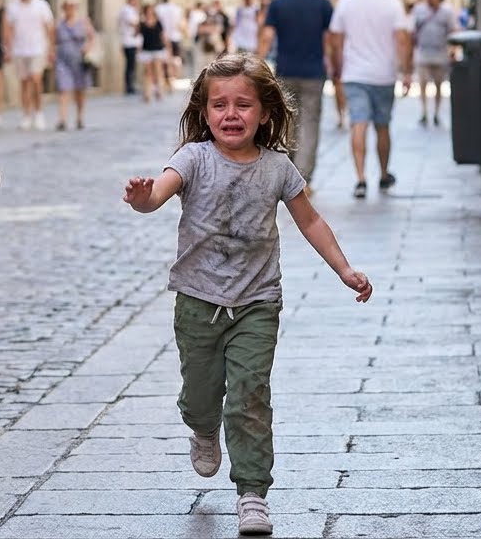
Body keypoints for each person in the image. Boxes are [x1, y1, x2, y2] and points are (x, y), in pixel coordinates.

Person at [121, 53, 372, 537]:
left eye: (243, 105)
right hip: (197, 299)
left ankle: (252, 493)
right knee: (200, 395)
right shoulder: (192, 158)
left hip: (257, 302)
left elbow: (310, 220)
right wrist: (142, 198)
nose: (230, 114)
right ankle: (202, 427)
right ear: (203, 111)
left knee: (250, 395)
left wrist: (344, 269)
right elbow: (158, 194)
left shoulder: (278, 167)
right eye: (219, 105)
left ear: (265, 112)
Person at [328, 0, 413, 199]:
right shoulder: (392, 3)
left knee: (358, 123)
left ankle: (361, 178)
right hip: (383, 74)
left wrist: (338, 67)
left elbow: (336, 40)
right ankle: (384, 174)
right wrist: (406, 71)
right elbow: (402, 39)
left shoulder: (345, 3)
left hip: (354, 73)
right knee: (382, 125)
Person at [257, 0, 334, 190]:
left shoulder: (279, 5)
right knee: (310, 123)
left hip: (286, 71)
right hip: (313, 73)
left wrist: (256, 64)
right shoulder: (322, 4)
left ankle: (288, 172)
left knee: (287, 122)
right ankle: (303, 178)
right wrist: (334, 63)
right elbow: (329, 40)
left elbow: (267, 36)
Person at [2, 0, 54, 130]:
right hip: (20, 49)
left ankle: (38, 113)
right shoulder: (13, 7)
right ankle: (26, 114)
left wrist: (51, 48)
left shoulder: (41, 5)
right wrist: (8, 48)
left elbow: (49, 27)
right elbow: (8, 28)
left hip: (38, 48)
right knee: (24, 82)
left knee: (36, 80)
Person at [409, 0, 457, 126]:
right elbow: (412, 32)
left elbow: (452, 31)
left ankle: (436, 112)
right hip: (423, 53)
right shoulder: (419, 10)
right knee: (422, 83)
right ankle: (424, 111)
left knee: (438, 85)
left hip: (440, 53)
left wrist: (452, 51)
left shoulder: (447, 11)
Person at [52, 0, 97, 130]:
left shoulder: (83, 22)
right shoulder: (59, 24)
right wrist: (52, 53)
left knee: (79, 90)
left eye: (72, 6)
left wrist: (87, 47)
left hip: (79, 60)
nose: (70, 9)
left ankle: (79, 117)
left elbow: (92, 37)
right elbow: (53, 40)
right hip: (63, 60)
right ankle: (62, 119)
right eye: (67, 7)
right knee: (63, 89)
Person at [138, 2, 170, 102]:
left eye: (151, 10)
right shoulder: (142, 24)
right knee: (147, 72)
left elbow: (163, 35)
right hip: (146, 49)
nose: (150, 12)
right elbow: (137, 35)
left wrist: (167, 47)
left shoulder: (158, 22)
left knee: (157, 71)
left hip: (157, 49)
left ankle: (158, 91)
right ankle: (147, 92)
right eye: (148, 10)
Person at [156, 0, 187, 83]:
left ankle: (166, 77)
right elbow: (180, 23)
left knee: (164, 59)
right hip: (175, 36)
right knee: (175, 57)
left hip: (163, 37)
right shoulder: (176, 9)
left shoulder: (159, 9)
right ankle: (176, 75)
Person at [117, 0, 142, 95]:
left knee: (132, 65)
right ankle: (129, 86)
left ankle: (131, 84)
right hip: (128, 41)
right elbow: (134, 23)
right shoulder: (126, 10)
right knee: (130, 65)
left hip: (132, 41)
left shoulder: (132, 10)